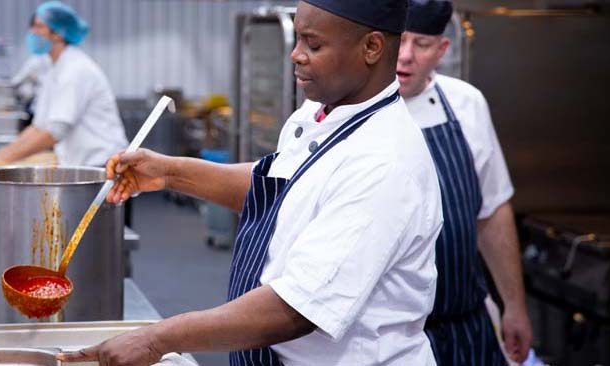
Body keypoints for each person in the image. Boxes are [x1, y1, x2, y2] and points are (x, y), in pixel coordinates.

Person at [59, 1, 443, 365]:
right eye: (297, 38)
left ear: (372, 47)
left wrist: (156, 337)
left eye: (314, 43)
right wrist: (170, 172)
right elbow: (283, 188)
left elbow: (294, 309)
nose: (295, 54)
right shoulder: (323, 111)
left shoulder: (383, 162)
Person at [398, 1, 533, 364]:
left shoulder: (465, 104)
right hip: (390, 337)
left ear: (442, 50)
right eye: (399, 41)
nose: (406, 57)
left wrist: (514, 305)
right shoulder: (351, 113)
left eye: (421, 44)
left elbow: (492, 212)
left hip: (467, 325)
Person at [0, 1, 127, 167]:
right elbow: (39, 127)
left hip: (102, 164)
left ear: (59, 34)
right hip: (80, 164)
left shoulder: (75, 69)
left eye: (39, 27)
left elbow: (56, 131)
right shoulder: (53, 69)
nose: (32, 32)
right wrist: (1, 155)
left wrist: (4, 159)